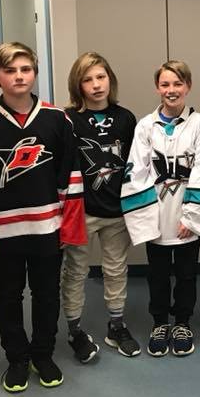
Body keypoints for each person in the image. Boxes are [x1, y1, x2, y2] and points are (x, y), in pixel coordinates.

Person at [0, 42, 86, 393]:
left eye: (26, 69)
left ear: (35, 73)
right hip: (2, 232)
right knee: (8, 296)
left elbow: (70, 176)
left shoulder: (56, 120)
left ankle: (42, 354)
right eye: (11, 70)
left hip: (47, 227)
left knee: (46, 294)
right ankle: (16, 358)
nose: (19, 76)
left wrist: (67, 225)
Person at [120, 61, 200, 357]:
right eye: (165, 84)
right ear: (157, 88)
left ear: (188, 86)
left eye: (177, 84)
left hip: (187, 213)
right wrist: (145, 218)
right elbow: (135, 172)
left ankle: (183, 323)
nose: (171, 90)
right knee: (158, 274)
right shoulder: (145, 126)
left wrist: (193, 216)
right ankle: (160, 323)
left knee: (187, 274)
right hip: (157, 215)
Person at [61, 52, 139, 362]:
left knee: (116, 269)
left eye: (101, 77)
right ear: (77, 85)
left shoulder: (125, 118)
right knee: (76, 271)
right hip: (82, 211)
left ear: (110, 79)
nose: (96, 85)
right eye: (88, 79)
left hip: (116, 211)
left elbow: (135, 164)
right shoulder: (67, 119)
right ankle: (74, 329)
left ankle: (116, 325)